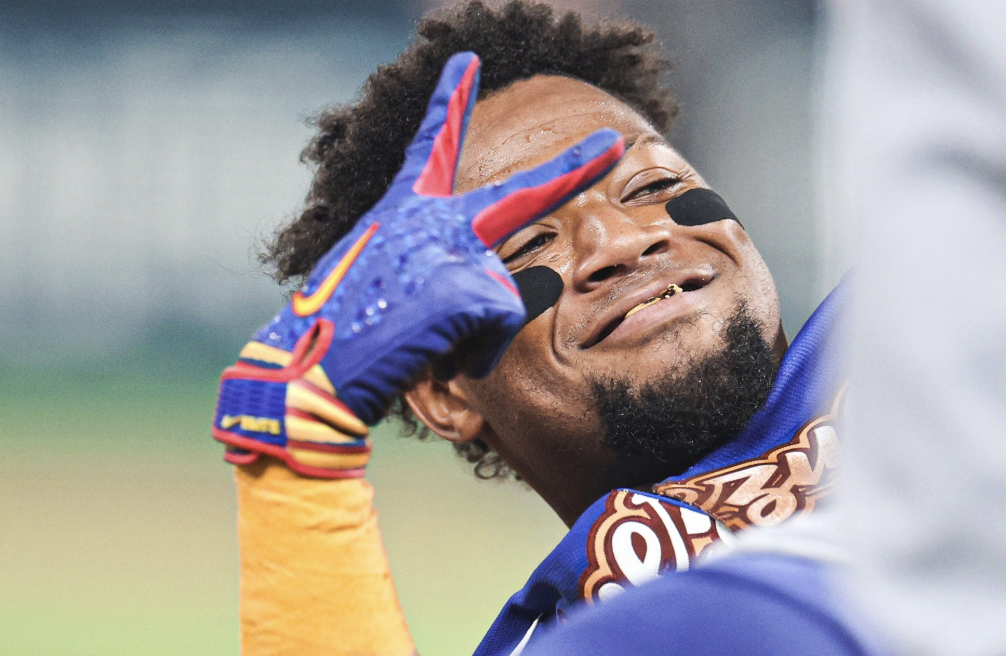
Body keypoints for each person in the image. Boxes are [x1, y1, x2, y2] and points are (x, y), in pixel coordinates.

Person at [211, 2, 848, 654]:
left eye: (651, 185)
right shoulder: (579, 638)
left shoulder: (896, 343)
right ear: (445, 394)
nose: (621, 241)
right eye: (527, 244)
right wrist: (294, 476)